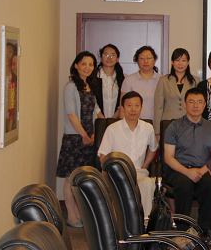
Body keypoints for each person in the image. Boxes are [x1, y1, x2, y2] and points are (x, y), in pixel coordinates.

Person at [56, 51, 104, 228]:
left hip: (89, 138)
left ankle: (77, 211)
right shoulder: (70, 87)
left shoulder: (89, 86)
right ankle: (71, 214)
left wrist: (95, 133)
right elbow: (71, 115)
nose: (87, 67)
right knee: (71, 177)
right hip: (74, 138)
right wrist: (84, 135)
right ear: (76, 65)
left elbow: (95, 112)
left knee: (80, 177)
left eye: (91, 64)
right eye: (84, 63)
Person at [164, 88, 211, 236]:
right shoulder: (174, 126)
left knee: (210, 185)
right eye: (191, 101)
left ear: (204, 105)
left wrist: (202, 171)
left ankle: (203, 229)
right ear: (185, 104)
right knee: (185, 185)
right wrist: (187, 172)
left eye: (199, 102)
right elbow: (168, 157)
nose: (195, 105)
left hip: (203, 168)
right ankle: (182, 230)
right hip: (179, 169)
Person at [98, 91, 158, 216]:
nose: (133, 109)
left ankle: (145, 222)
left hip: (139, 173)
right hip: (118, 174)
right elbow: (103, 156)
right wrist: (112, 171)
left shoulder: (148, 128)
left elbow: (153, 148)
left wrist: (145, 165)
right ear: (122, 108)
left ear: (141, 108)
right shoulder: (112, 129)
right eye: (129, 105)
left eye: (137, 105)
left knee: (148, 184)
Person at [154, 48, 201, 137]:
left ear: (188, 62)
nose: (180, 63)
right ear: (172, 62)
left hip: (190, 124)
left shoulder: (195, 81)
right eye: (177, 60)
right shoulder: (163, 80)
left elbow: (199, 105)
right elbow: (158, 107)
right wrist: (157, 131)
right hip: (168, 123)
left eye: (183, 60)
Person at [121, 46, 161, 121]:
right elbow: (122, 106)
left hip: (156, 124)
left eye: (149, 58)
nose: (145, 61)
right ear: (137, 61)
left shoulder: (162, 80)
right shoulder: (129, 80)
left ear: (154, 60)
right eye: (142, 58)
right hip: (134, 123)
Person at [93, 44, 125, 119]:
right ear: (101, 58)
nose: (109, 58)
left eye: (112, 55)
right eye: (106, 55)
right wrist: (102, 118)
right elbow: (92, 99)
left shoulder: (123, 79)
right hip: (97, 119)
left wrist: (113, 118)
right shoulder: (93, 77)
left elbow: (123, 101)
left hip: (117, 120)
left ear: (117, 59)